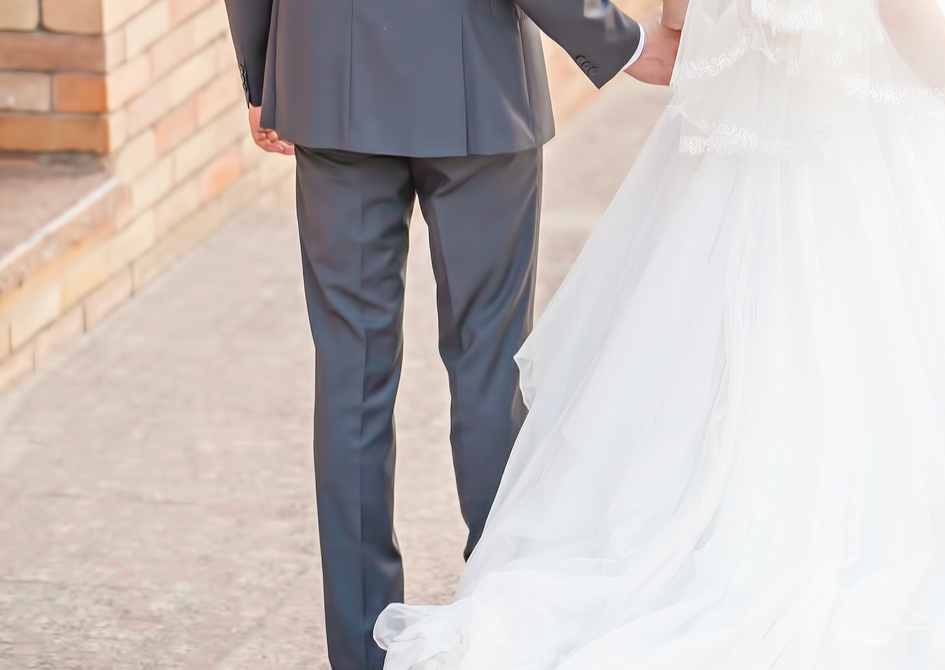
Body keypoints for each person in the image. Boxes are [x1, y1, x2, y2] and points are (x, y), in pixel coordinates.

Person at [373, 0, 945, 667]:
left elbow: (683, 15)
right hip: (868, 147)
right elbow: (905, 11)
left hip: (745, 153)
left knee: (723, 355)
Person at [220, 0, 681, 668]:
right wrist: (622, 43)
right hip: (477, 85)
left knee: (351, 369)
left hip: (328, 80)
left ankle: (361, 650)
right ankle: (500, 630)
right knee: (488, 362)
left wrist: (267, 72)